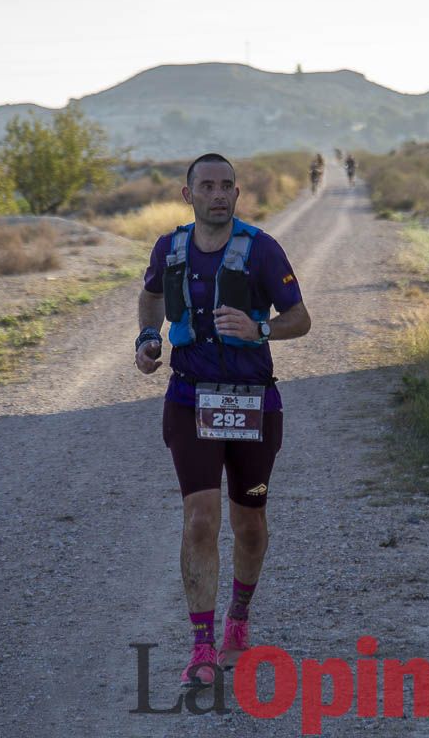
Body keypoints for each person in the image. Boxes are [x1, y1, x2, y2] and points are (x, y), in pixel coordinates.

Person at [135, 153, 311, 688]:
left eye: (227, 186)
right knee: (200, 519)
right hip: (190, 399)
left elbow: (300, 319)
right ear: (188, 194)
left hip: (254, 403)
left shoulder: (262, 249)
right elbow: (150, 296)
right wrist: (147, 339)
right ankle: (202, 644)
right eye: (207, 186)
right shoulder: (170, 247)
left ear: (237, 194)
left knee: (249, 525)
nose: (218, 194)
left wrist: (261, 332)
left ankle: (239, 617)